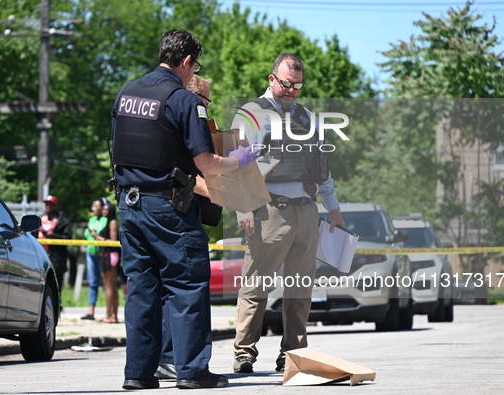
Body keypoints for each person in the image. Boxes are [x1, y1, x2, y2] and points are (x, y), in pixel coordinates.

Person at [110, 29, 256, 390]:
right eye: (196, 66)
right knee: (186, 285)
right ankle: (191, 371)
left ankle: (139, 374)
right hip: (168, 208)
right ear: (187, 61)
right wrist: (238, 160)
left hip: (129, 204)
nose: (194, 73)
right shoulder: (184, 101)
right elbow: (206, 163)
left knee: (142, 288)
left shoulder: (127, 92)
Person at [230, 53, 345, 373]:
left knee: (300, 286)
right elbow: (237, 164)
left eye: (297, 86)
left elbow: (322, 170)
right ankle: (244, 352)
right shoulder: (252, 113)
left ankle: (293, 351)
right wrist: (243, 206)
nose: (291, 90)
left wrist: (333, 208)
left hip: (305, 213)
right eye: (285, 84)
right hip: (269, 211)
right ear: (271, 79)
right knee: (256, 284)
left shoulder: (309, 118)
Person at [155, 75, 217, 382]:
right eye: (207, 100)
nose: (208, 106)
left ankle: (165, 359)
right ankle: (187, 365)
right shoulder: (191, 120)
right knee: (189, 290)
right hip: (179, 216)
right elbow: (194, 176)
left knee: (167, 291)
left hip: (154, 215)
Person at [89, 202, 121, 323]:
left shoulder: (112, 222)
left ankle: (109, 315)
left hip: (110, 255)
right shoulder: (106, 221)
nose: (104, 211)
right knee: (112, 286)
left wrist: (97, 237)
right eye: (104, 209)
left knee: (108, 287)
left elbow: (113, 240)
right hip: (108, 255)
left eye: (107, 210)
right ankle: (113, 316)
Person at [37, 195, 72, 299]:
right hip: (40, 255)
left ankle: (56, 305)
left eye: (50, 204)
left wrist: (54, 236)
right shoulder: (40, 219)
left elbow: (68, 238)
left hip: (56, 257)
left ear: (55, 206)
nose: (47, 206)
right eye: (46, 204)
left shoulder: (62, 221)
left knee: (56, 282)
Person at [82, 197, 109, 320]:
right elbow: (87, 234)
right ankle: (91, 312)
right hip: (91, 253)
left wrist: (95, 235)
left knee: (107, 283)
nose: (94, 208)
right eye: (93, 206)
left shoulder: (106, 220)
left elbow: (98, 234)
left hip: (103, 255)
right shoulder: (91, 219)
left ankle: (110, 312)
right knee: (93, 282)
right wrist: (92, 235)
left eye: (97, 206)